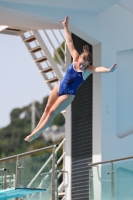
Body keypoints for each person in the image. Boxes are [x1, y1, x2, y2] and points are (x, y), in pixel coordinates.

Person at [24, 16, 117, 142]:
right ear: (79, 59)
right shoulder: (75, 57)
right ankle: (35, 130)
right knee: (46, 108)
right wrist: (65, 27)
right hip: (60, 87)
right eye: (81, 63)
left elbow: (97, 69)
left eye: (84, 65)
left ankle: (37, 134)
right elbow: (69, 42)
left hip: (68, 94)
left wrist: (107, 70)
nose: (82, 66)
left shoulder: (87, 70)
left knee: (51, 112)